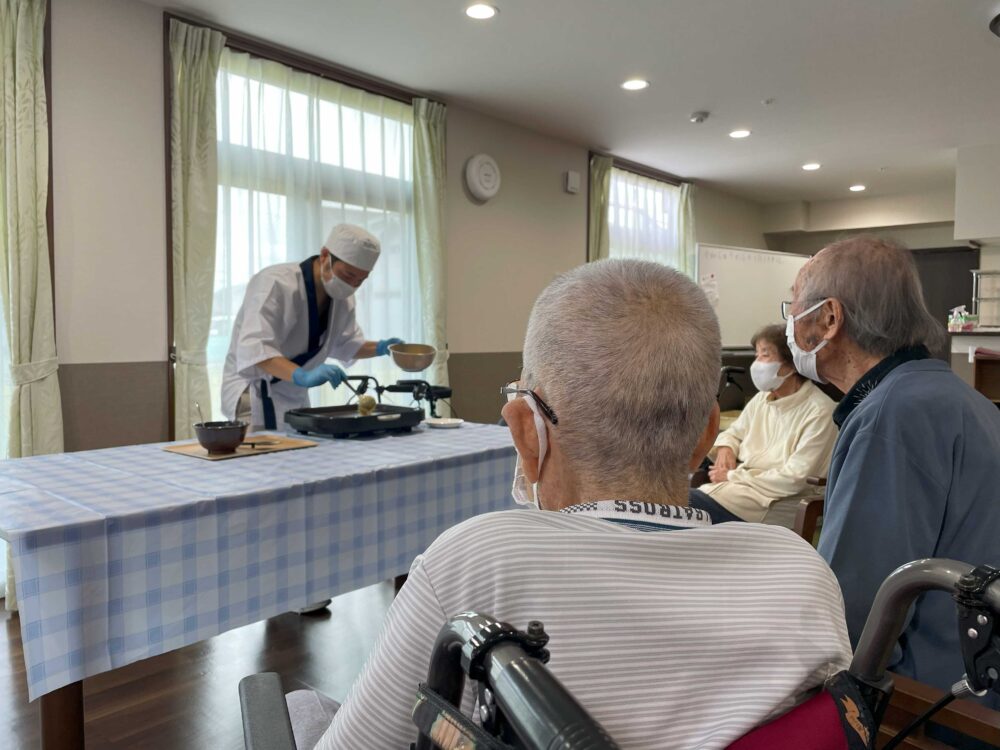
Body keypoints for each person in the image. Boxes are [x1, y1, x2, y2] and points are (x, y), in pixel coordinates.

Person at [310, 259, 851, 749]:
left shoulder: (476, 562)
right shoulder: (802, 572)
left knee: (302, 707)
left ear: (526, 431)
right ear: (707, 433)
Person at [785, 235, 1000, 706]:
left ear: (829, 318)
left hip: (934, 698)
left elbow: (852, 616)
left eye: (793, 307)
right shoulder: (957, 398)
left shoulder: (892, 415)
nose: (790, 323)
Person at [221, 224, 403, 430]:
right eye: (348, 275)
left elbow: (347, 344)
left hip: (294, 393)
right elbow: (256, 349)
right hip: (255, 391)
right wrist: (303, 375)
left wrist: (383, 348)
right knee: (261, 461)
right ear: (325, 255)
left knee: (300, 458)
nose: (352, 285)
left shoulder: (342, 297)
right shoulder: (275, 283)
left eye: (361, 280)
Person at [696, 324, 838, 523]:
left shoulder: (820, 411)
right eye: (756, 355)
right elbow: (734, 432)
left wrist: (732, 476)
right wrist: (726, 447)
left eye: (765, 355)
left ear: (790, 363)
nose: (756, 364)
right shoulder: (762, 399)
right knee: (680, 505)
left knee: (686, 508)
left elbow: (794, 479)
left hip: (775, 502)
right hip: (739, 492)